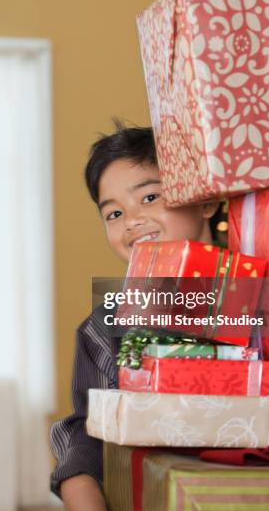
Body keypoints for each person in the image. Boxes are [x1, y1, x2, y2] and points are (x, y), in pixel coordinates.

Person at [49, 123, 219, 510]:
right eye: (113, 213)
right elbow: (85, 432)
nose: (131, 220)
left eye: (151, 196)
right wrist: (80, 490)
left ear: (206, 199)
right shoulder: (102, 327)